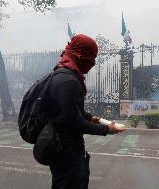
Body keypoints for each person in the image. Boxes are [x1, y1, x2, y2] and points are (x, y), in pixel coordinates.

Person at [47, 34, 126, 189]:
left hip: (64, 149)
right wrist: (107, 129)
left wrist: (94, 118)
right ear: (80, 55)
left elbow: (75, 112)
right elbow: (74, 122)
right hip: (66, 151)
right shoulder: (68, 81)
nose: (93, 63)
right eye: (91, 57)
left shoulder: (63, 73)